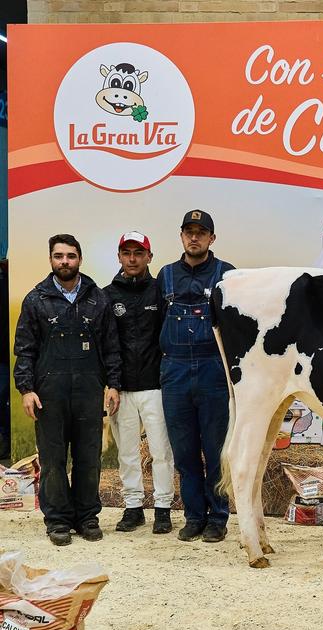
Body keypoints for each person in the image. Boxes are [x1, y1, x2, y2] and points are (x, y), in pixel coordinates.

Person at [14, 233, 121, 546]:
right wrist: (26, 389)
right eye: (59, 256)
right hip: (50, 393)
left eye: (70, 256)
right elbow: (25, 349)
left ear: (80, 259)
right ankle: (58, 520)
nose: (65, 261)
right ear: (51, 259)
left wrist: (113, 384)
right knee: (53, 459)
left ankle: (87, 517)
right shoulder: (36, 299)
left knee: (89, 458)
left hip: (89, 391)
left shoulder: (97, 298)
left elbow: (111, 347)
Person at [157, 210, 234, 544]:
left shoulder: (227, 274)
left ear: (211, 238)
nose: (194, 237)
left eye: (201, 232)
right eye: (189, 231)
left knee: (216, 451)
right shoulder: (165, 275)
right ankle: (193, 517)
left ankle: (217, 518)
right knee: (185, 452)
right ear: (181, 235)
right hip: (174, 372)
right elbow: (155, 325)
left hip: (212, 370)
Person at [104, 231, 175, 535]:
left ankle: (163, 509)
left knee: (161, 452)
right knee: (127, 453)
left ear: (149, 257)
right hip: (121, 389)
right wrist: (112, 384)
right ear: (119, 257)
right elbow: (107, 344)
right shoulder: (107, 295)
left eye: (138, 253)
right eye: (127, 253)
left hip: (155, 386)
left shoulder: (161, 292)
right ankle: (133, 508)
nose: (132, 259)